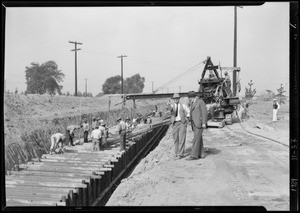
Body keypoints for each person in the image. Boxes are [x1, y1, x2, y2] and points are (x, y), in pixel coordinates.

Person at [186, 90, 208, 160]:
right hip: (194, 124)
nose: (189, 100)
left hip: (199, 124)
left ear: (192, 97)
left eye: (190, 98)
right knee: (199, 139)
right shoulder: (193, 103)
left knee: (196, 139)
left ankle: (194, 156)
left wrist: (204, 123)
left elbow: (204, 113)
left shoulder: (200, 102)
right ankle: (201, 154)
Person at [169, 93, 190, 160]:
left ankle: (180, 154)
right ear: (173, 100)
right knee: (176, 139)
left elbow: (188, 112)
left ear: (179, 99)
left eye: (177, 99)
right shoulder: (172, 106)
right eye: (174, 99)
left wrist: (187, 117)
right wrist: (168, 104)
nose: (176, 100)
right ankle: (177, 153)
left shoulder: (183, 106)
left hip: (182, 123)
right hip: (175, 124)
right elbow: (170, 109)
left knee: (181, 139)